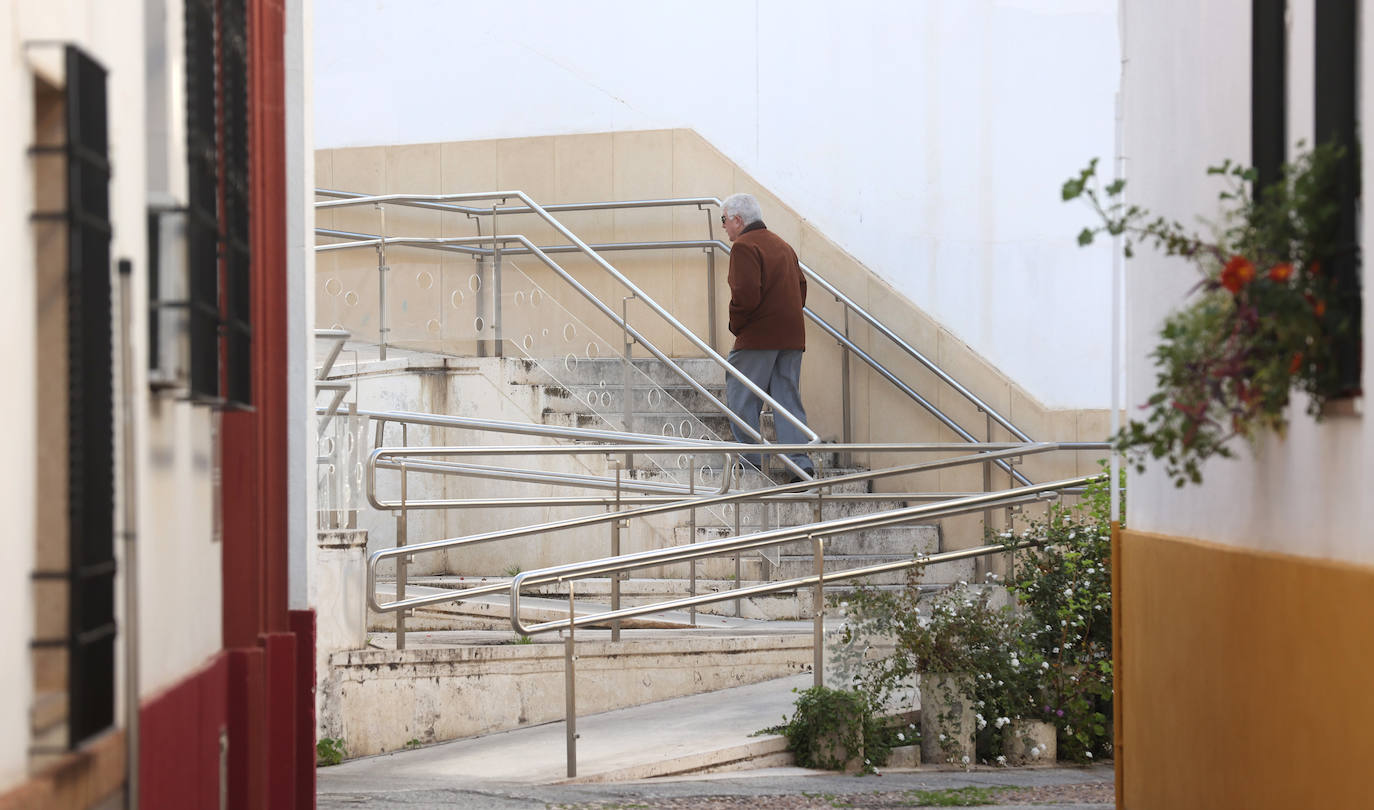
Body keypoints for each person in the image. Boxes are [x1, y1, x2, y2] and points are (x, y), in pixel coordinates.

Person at [720, 192, 815, 481]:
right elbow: (801, 288)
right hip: (791, 338)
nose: (723, 227)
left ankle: (749, 466)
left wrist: (736, 324)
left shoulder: (744, 247)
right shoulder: (782, 245)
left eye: (724, 220)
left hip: (758, 338)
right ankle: (801, 464)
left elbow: (745, 295)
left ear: (738, 219)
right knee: (787, 400)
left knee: (742, 397)